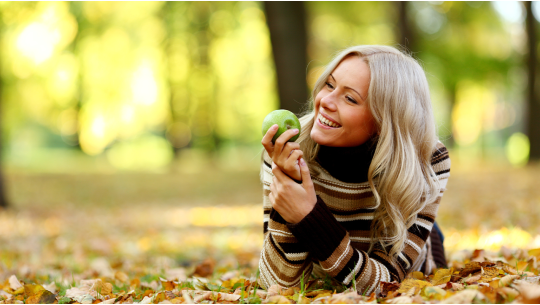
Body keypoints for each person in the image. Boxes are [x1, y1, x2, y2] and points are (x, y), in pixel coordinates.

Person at [258, 45, 450, 295]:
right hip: (336, 265)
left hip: (410, 251)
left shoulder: (427, 157)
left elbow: (385, 285)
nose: (325, 101)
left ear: (384, 121)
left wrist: (310, 216)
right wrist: (289, 192)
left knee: (425, 235)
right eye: (329, 84)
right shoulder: (288, 147)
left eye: (350, 98)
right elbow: (278, 285)